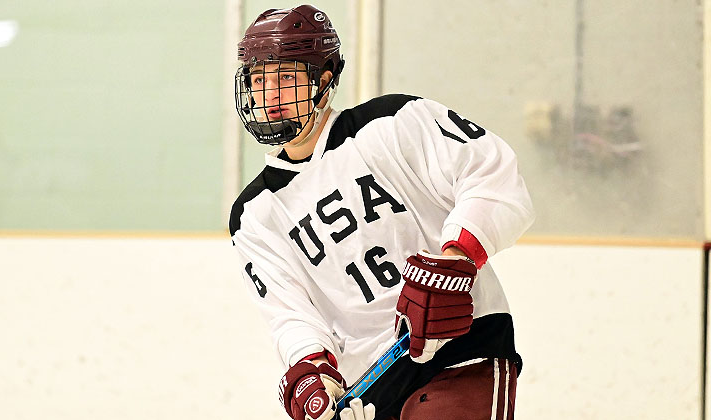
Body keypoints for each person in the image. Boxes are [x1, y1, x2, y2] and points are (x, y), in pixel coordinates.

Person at [229, 5, 534, 420]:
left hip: (462, 349)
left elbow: (491, 172)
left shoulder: (392, 124)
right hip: (369, 390)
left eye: (286, 77)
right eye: (260, 80)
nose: (271, 96)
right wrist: (310, 368)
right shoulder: (254, 214)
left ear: (323, 81)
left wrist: (456, 259)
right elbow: (291, 313)